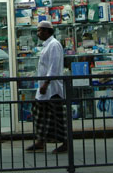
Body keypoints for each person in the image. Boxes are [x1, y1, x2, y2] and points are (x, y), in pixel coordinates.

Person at [26, 20, 69, 154]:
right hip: (44, 89)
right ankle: (41, 141)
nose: (38, 33)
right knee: (41, 115)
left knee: (58, 118)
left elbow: (54, 67)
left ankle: (66, 143)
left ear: (47, 31)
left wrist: (46, 83)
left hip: (52, 88)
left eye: (40, 30)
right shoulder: (46, 45)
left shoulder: (54, 45)